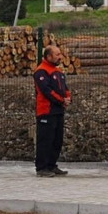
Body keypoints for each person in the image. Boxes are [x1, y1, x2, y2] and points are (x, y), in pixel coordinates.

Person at [34, 45, 72, 178]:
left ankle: (51, 165)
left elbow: (65, 88)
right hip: (46, 111)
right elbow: (47, 91)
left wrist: (68, 98)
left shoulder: (59, 71)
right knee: (45, 139)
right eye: (57, 55)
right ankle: (42, 167)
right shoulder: (41, 71)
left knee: (57, 139)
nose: (60, 57)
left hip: (58, 110)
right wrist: (62, 100)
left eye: (60, 54)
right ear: (48, 56)